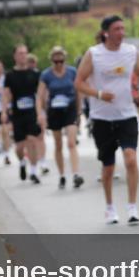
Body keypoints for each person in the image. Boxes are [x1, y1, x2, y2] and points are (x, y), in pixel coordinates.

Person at [76, 15, 139, 222]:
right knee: (108, 168)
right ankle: (110, 207)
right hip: (102, 118)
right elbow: (78, 82)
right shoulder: (94, 54)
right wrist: (98, 94)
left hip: (127, 115)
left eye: (123, 29)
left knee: (131, 160)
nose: (121, 33)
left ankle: (132, 207)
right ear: (106, 32)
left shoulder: (131, 52)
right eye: (117, 29)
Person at [38, 45, 82, 189]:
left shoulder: (72, 72)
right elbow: (40, 96)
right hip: (54, 111)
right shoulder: (46, 75)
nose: (58, 64)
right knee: (58, 144)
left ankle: (76, 174)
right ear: (51, 60)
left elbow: (78, 92)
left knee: (71, 142)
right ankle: (62, 175)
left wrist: (79, 110)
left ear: (65, 59)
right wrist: (40, 113)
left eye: (61, 61)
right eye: (55, 61)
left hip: (70, 109)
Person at [2, 44, 44, 183]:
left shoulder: (34, 74)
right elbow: (6, 95)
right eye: (20, 53)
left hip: (32, 113)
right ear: (14, 56)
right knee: (20, 147)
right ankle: (22, 162)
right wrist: (3, 111)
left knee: (32, 141)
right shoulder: (10, 75)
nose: (23, 56)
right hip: (17, 114)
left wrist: (41, 113)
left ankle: (33, 171)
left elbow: (40, 94)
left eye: (25, 53)